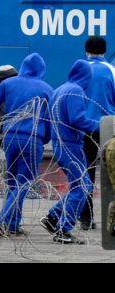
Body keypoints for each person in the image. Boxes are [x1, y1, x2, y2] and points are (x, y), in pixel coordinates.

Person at [0, 53, 53, 237]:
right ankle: (2, 219)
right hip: (32, 138)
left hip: (10, 137)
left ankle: (12, 224)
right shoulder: (46, 89)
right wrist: (45, 138)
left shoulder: (8, 84)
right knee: (24, 182)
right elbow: (50, 120)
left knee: (13, 182)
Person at [39, 60, 99, 244]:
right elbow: (77, 119)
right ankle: (63, 229)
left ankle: (53, 217)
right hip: (70, 145)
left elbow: (48, 117)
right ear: (86, 76)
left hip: (60, 144)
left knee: (79, 185)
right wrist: (100, 125)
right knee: (83, 186)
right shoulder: (76, 90)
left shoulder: (60, 89)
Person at [80, 35, 115, 230]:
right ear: (105, 51)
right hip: (108, 126)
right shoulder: (111, 70)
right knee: (112, 172)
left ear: (86, 51)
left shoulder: (80, 69)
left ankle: (86, 218)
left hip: (85, 128)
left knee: (87, 172)